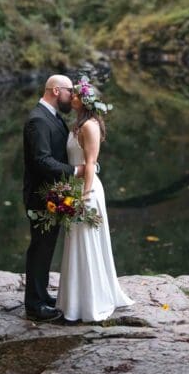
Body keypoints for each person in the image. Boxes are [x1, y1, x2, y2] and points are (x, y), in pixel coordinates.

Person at [55, 77, 134, 322]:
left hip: (86, 190)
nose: (72, 97)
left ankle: (90, 301)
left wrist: (85, 196)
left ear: (85, 100)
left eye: (76, 94)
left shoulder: (90, 126)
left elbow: (90, 164)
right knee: (75, 242)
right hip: (74, 186)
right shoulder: (77, 124)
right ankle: (74, 300)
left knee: (86, 241)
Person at [22, 74, 87, 322]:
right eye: (70, 91)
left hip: (53, 193)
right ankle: (35, 306)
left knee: (47, 246)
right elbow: (41, 160)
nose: (73, 96)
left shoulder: (52, 115)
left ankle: (41, 294)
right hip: (40, 196)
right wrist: (76, 171)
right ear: (56, 90)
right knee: (40, 247)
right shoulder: (38, 120)